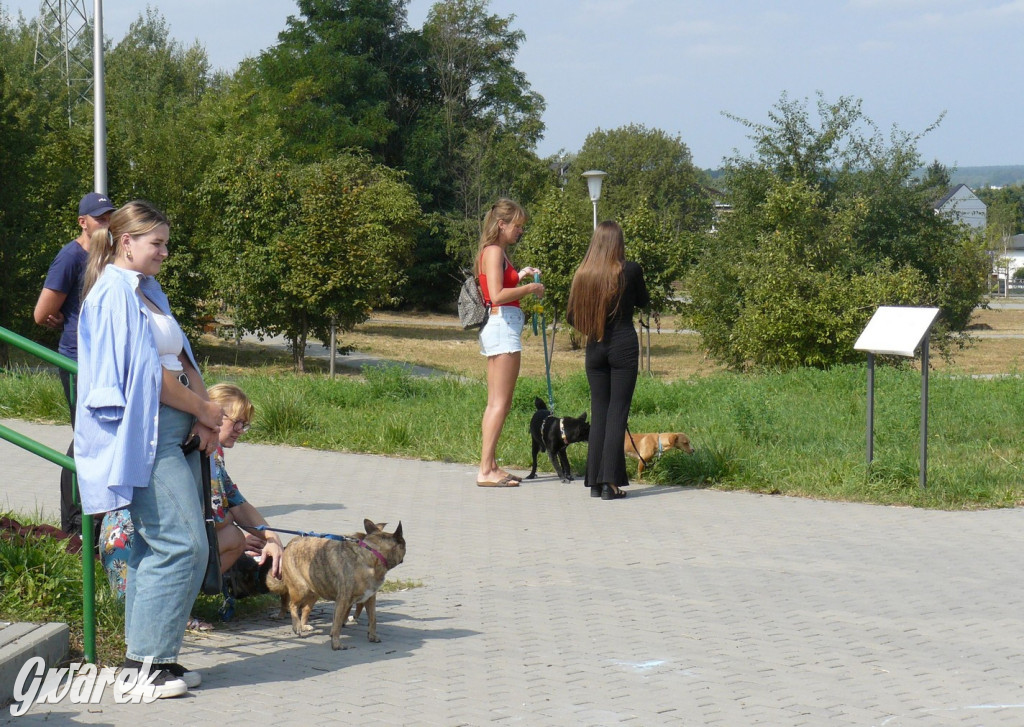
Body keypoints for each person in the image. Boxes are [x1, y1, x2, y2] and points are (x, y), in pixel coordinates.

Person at [76, 200, 224, 699]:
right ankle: (145, 666)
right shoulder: (113, 294)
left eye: (165, 242)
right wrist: (202, 411)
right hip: (146, 436)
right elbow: (145, 376)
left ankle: (150, 659)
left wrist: (205, 411)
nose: (164, 251)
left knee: (154, 544)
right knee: (182, 542)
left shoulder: (146, 290)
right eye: (156, 243)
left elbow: (182, 355)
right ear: (126, 242)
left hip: (173, 434)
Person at [100, 383, 283, 621]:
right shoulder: (198, 447)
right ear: (214, 413)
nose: (240, 429)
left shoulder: (207, 449)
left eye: (244, 424)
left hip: (130, 535)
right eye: (235, 420)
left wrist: (271, 538)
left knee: (231, 536)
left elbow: (239, 504)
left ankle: (170, 609)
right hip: (134, 542)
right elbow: (214, 518)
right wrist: (237, 525)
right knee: (232, 537)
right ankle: (171, 612)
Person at [33, 192, 116, 534]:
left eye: (110, 218)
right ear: (83, 222)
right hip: (77, 362)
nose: (106, 225)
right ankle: (74, 523)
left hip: (104, 360)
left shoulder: (110, 255)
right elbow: (41, 314)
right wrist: (59, 319)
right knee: (85, 439)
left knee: (100, 437)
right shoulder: (70, 257)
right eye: (100, 219)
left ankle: (96, 519)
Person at [566, 221, 649, 501]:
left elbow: (571, 317)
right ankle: (611, 483)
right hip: (623, 344)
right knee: (617, 412)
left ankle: (595, 482)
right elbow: (644, 301)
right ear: (618, 243)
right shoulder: (630, 270)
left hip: (595, 348)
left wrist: (592, 328)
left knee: (600, 412)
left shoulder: (583, 274)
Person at [475, 199, 543, 487]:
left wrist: (521, 274)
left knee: (496, 403)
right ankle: (485, 470)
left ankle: (490, 465)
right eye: (517, 226)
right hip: (502, 326)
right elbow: (497, 294)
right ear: (501, 224)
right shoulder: (493, 251)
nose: (520, 232)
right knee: (500, 403)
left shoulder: (497, 253)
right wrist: (530, 288)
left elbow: (502, 284)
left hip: (501, 326)